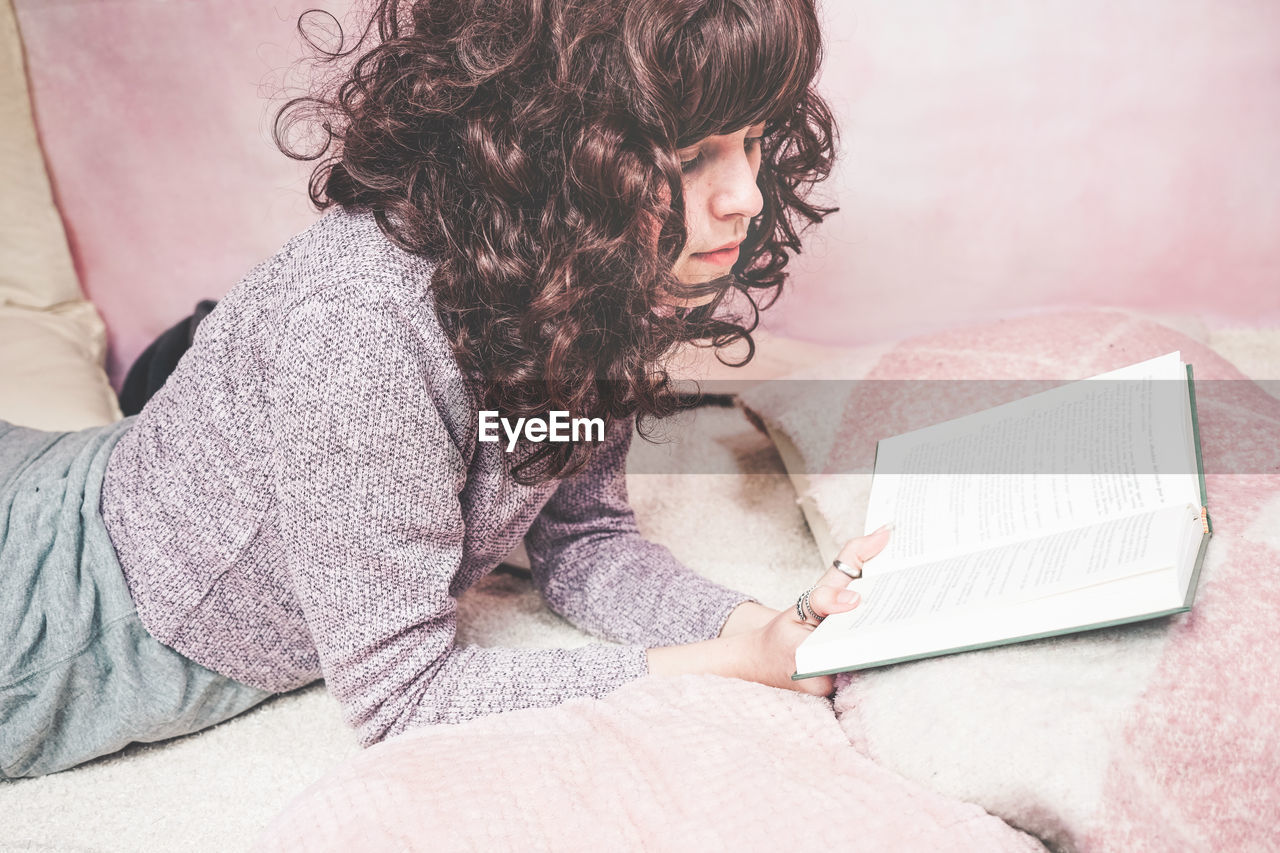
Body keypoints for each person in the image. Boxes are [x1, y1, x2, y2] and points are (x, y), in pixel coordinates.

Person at [0, 0, 891, 780]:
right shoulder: (361, 330)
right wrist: (724, 667)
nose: (745, 194)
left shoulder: (591, 266)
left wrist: (767, 627)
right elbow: (403, 697)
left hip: (108, 465)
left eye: (755, 139)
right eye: (696, 155)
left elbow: (584, 540)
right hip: (44, 606)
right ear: (560, 153)